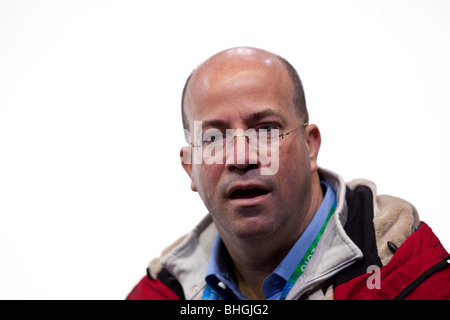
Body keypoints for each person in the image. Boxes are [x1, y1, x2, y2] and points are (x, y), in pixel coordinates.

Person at [127, 47, 450, 300]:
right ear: (190, 168)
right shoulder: (162, 292)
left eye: (266, 130)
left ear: (310, 147)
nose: (242, 157)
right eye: (214, 138)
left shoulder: (410, 276)